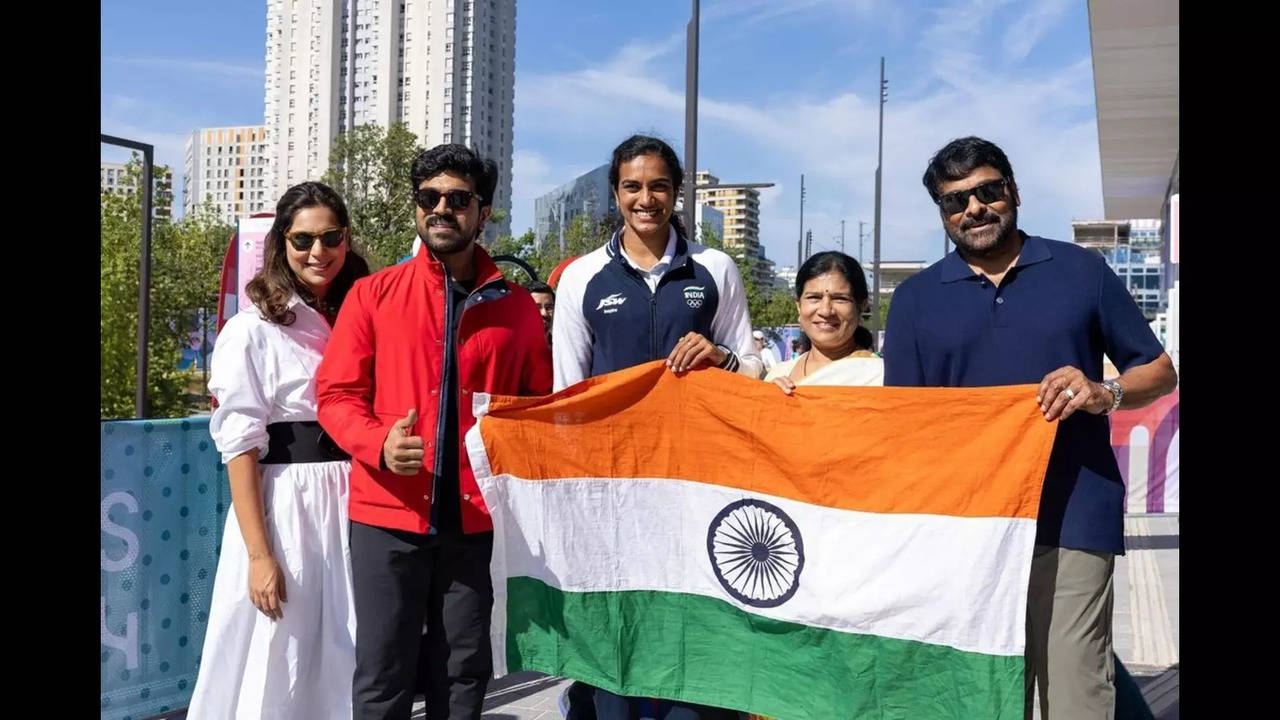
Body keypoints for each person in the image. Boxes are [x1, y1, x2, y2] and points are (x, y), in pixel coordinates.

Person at [883, 136, 1178, 719]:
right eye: (955, 202)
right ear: (942, 215)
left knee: (1077, 693)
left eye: (987, 191)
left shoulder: (1081, 272)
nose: (974, 209)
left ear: (1013, 192)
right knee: (984, 699)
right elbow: (903, 427)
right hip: (965, 530)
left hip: (1074, 512)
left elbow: (1160, 370)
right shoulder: (915, 300)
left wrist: (1105, 391)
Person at [316, 144, 553, 720]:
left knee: (464, 670)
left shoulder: (517, 307)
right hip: (387, 514)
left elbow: (536, 410)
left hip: (475, 520)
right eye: (429, 198)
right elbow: (335, 395)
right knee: (383, 671)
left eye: (458, 199)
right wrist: (378, 444)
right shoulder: (372, 295)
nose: (442, 209)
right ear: (417, 206)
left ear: (483, 210)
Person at [552, 134, 758, 719]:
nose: (647, 198)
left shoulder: (716, 268)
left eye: (659, 185)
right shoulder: (581, 277)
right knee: (619, 625)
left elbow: (754, 369)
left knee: (690, 621)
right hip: (612, 487)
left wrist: (722, 357)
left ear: (678, 191)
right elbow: (568, 395)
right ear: (616, 193)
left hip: (696, 482)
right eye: (633, 186)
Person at [188, 181, 370, 719]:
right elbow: (240, 446)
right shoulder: (251, 330)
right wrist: (260, 554)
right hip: (288, 506)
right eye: (303, 239)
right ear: (281, 244)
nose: (319, 252)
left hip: (357, 499)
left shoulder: (361, 314)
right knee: (280, 654)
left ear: (347, 239)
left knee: (350, 649)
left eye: (331, 237)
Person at [766, 251, 882, 392]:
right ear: (799, 306)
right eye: (814, 297)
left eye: (840, 298)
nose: (826, 311)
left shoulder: (879, 377)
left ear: (861, 307)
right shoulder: (778, 374)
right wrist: (768, 398)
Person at [525, 279, 556, 347]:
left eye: (549, 308)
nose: (544, 313)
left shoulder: (563, 349)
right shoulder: (514, 351)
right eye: (537, 307)